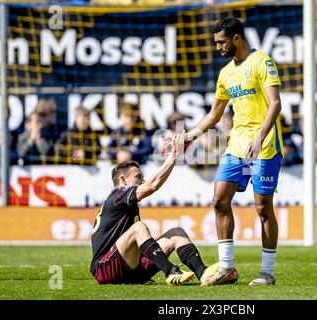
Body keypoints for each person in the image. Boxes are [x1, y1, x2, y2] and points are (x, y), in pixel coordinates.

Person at [184, 17, 283, 286]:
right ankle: (226, 267)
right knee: (219, 200)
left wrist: (260, 137)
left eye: (221, 42)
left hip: (264, 147)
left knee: (263, 208)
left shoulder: (263, 63)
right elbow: (215, 115)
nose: (218, 47)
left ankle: (267, 273)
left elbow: (275, 104)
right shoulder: (226, 73)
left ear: (236, 38)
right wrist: (189, 136)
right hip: (237, 147)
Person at [90, 131, 219, 285]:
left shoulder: (124, 201)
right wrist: (173, 156)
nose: (142, 180)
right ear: (123, 180)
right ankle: (171, 271)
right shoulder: (118, 195)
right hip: (104, 269)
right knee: (139, 227)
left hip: (128, 266)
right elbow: (152, 186)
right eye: (138, 177)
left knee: (177, 233)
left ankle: (203, 274)